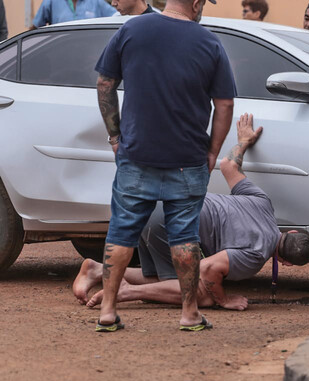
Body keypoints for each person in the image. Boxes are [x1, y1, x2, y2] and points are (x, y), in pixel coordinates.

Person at [73, 114, 309, 312]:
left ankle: (98, 270)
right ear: (285, 262)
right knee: (201, 294)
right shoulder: (256, 255)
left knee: (162, 278)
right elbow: (208, 270)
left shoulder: (263, 203)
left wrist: (243, 141)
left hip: (153, 204)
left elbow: (228, 165)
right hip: (166, 224)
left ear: (291, 230)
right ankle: (125, 292)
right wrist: (224, 300)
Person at [93, 0, 236, 332]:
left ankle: (108, 310)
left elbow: (104, 85)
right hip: (187, 160)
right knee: (184, 237)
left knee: (121, 233)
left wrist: (115, 137)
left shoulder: (130, 30)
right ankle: (188, 314)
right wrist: (213, 151)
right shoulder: (210, 42)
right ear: (197, 2)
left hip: (135, 155)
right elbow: (225, 104)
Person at [31, 0, 116, 29]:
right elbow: (36, 27)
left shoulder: (96, 2)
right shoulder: (51, 1)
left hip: (90, 57)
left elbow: (116, 17)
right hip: (59, 54)